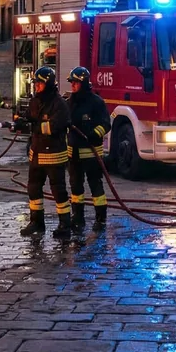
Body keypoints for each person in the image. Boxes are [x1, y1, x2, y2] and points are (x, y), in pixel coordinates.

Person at [21, 66, 73, 239]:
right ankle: (37, 222)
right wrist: (21, 122)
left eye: (39, 83)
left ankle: (65, 224)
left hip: (53, 156)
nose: (36, 86)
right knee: (33, 189)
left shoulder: (60, 104)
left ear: (48, 83)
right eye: (35, 83)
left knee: (58, 191)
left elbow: (54, 126)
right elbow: (30, 116)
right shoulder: (36, 101)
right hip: (36, 154)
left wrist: (32, 125)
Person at [66, 67, 111, 231]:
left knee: (96, 187)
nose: (72, 85)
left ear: (83, 83)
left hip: (92, 154)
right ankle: (78, 217)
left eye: (76, 82)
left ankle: (100, 218)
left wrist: (94, 134)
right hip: (74, 154)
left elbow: (106, 124)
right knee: (76, 187)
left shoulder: (96, 102)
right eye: (72, 82)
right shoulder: (69, 102)